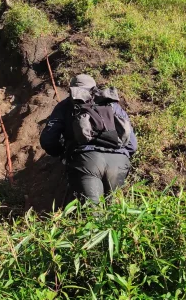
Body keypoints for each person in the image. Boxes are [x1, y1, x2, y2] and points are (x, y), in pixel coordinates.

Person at [40, 73, 137, 203]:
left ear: (72, 89)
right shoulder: (112, 105)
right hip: (119, 161)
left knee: (93, 213)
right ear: (94, 88)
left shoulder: (65, 105)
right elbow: (132, 145)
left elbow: (48, 140)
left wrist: (62, 153)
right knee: (113, 210)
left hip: (87, 161)